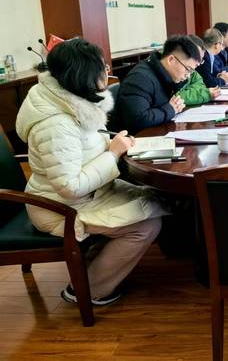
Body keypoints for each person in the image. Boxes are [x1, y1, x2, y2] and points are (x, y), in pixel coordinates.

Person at [15, 38, 167, 305]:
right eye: (102, 67)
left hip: (84, 195)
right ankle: (88, 289)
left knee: (154, 196)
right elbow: (69, 186)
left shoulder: (69, 101)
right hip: (59, 207)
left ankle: (99, 262)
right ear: (83, 75)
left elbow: (82, 149)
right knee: (146, 225)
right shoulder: (55, 124)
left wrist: (112, 144)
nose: (106, 71)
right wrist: (113, 153)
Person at [109, 35, 200, 134]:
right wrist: (170, 109)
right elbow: (139, 119)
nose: (188, 75)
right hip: (135, 138)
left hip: (157, 131)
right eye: (188, 69)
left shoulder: (166, 76)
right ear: (171, 60)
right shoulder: (140, 79)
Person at [176, 35, 221, 105]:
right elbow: (176, 97)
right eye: (197, 58)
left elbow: (201, 85)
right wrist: (206, 94)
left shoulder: (192, 71)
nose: (199, 64)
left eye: (201, 59)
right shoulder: (173, 70)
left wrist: (189, 92)